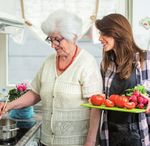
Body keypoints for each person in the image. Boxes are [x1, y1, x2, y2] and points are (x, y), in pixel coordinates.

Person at [0, 9, 103, 146]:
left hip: (76, 142)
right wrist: (7, 106)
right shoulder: (48, 62)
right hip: (46, 141)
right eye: (50, 39)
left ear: (72, 36)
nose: (53, 45)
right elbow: (35, 93)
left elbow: (95, 107)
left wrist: (90, 142)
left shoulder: (86, 63)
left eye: (57, 40)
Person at [85, 13, 150, 146]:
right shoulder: (106, 65)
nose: (100, 38)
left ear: (117, 33)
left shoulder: (144, 59)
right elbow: (102, 99)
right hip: (110, 132)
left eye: (103, 33)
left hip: (137, 133)